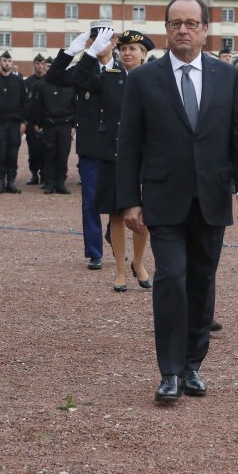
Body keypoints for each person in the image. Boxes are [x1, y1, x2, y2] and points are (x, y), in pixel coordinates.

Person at [117, 0, 238, 403]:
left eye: (191, 23)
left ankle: (194, 365)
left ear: (205, 30)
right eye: (176, 23)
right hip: (163, 199)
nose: (183, 30)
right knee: (171, 279)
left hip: (211, 197)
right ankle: (170, 371)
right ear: (166, 29)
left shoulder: (227, 77)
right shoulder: (143, 79)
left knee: (201, 281)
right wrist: (129, 199)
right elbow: (130, 145)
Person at [69, 29, 153, 291]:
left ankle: (138, 262)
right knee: (116, 214)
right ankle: (119, 270)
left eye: (133, 49)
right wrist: (87, 52)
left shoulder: (154, 78)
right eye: (123, 49)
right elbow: (73, 78)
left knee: (145, 215)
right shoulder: (108, 76)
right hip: (114, 155)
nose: (127, 53)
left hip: (145, 155)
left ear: (144, 54)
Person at [47, 21, 114, 270]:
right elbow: (54, 77)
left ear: (114, 42)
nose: (97, 44)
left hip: (119, 145)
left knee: (122, 201)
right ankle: (95, 251)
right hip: (92, 145)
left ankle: (114, 236)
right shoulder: (83, 70)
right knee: (91, 201)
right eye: (92, 40)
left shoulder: (124, 68)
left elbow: (108, 85)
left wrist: (90, 54)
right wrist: (70, 53)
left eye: (104, 40)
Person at [29, 56, 74, 195]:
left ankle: (60, 183)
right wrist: (38, 124)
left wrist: (74, 126)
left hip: (65, 126)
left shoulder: (70, 85)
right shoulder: (42, 85)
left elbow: (76, 106)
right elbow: (37, 106)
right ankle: (49, 183)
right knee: (49, 155)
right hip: (49, 125)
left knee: (63, 155)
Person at [0, 51, 26, 194]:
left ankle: (11, 182)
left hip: (14, 123)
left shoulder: (19, 81)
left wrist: (23, 122)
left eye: (9, 61)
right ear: (0, 63)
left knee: (12, 153)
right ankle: (0, 181)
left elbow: (24, 103)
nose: (6, 63)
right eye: (4, 61)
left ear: (12, 63)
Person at [23, 54, 47, 185]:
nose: (39, 66)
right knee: (33, 152)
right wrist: (26, 121)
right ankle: (34, 174)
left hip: (45, 123)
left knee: (44, 151)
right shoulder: (27, 83)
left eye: (42, 63)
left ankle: (44, 175)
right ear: (34, 65)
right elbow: (24, 104)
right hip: (31, 124)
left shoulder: (48, 81)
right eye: (37, 63)